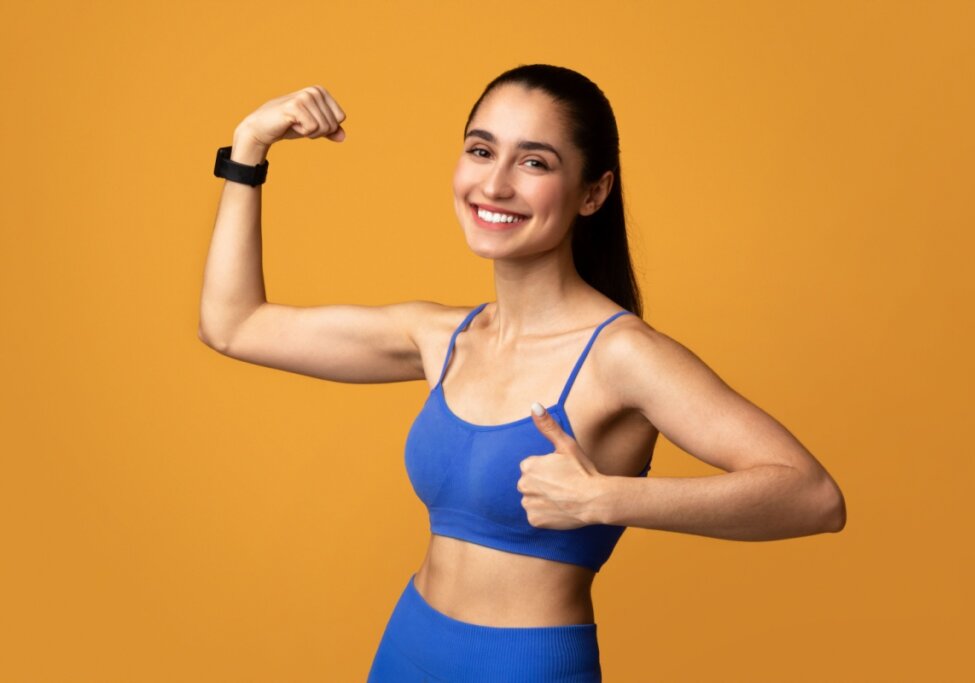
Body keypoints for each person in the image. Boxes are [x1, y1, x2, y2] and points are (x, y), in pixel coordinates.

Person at [199, 64, 846, 682]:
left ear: (593, 192)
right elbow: (234, 325)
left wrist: (607, 498)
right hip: (405, 648)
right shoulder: (440, 337)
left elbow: (811, 495)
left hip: (524, 668)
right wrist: (249, 148)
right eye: (481, 151)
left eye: (534, 162)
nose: (496, 183)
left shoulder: (621, 355)